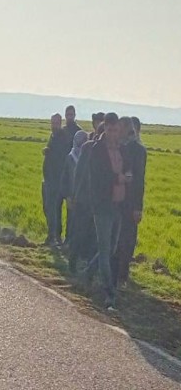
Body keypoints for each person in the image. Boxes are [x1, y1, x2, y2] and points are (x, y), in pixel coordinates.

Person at [83, 113, 129, 310]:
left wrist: (126, 177)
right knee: (104, 249)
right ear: (105, 129)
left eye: (115, 130)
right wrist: (118, 178)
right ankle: (109, 292)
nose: (112, 133)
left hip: (118, 204)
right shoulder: (97, 150)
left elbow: (127, 170)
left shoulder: (121, 149)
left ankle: (87, 273)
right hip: (102, 205)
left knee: (110, 247)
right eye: (109, 130)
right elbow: (98, 178)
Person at [113, 117, 146, 286]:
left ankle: (122, 276)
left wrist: (137, 207)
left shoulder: (138, 150)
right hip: (116, 199)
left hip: (130, 202)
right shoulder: (119, 146)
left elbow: (139, 180)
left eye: (120, 128)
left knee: (127, 239)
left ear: (127, 129)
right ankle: (114, 273)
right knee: (115, 237)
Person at [69, 122, 104, 272]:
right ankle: (73, 262)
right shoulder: (88, 147)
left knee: (93, 236)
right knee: (79, 232)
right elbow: (79, 174)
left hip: (98, 202)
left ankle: (88, 267)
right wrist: (75, 195)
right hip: (84, 199)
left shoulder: (113, 151)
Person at [42, 113, 70, 245]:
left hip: (57, 179)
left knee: (54, 209)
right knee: (49, 208)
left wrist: (49, 152)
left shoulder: (62, 137)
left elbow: (61, 158)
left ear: (60, 123)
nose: (54, 125)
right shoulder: (53, 136)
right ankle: (52, 235)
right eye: (52, 123)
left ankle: (54, 236)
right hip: (49, 177)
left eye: (56, 123)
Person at [60, 130, 89, 246]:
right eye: (80, 141)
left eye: (84, 141)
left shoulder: (88, 156)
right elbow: (65, 178)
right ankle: (68, 242)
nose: (82, 143)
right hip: (72, 195)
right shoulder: (70, 157)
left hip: (84, 196)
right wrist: (67, 196)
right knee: (71, 220)